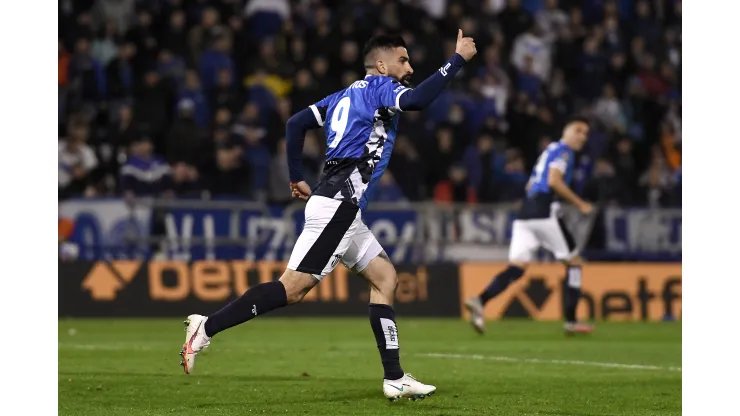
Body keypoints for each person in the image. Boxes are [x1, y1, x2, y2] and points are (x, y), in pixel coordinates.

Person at [179, 31, 477, 401]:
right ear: (382, 66)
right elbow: (417, 101)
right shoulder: (379, 87)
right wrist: (457, 59)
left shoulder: (342, 96)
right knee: (292, 289)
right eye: (404, 60)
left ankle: (395, 377)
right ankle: (206, 327)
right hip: (337, 205)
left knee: (385, 278)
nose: (410, 67)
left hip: (341, 206)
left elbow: (295, 124)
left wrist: (295, 177)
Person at [464, 117, 596, 336]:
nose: (583, 136)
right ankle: (572, 321)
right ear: (567, 131)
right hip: (543, 211)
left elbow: (531, 183)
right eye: (578, 130)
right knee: (574, 263)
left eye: (586, 133)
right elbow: (554, 181)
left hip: (525, 214)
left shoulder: (549, 150)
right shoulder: (564, 152)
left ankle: (480, 300)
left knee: (517, 267)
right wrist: (581, 204)